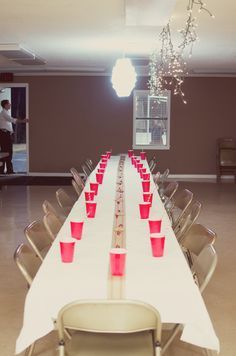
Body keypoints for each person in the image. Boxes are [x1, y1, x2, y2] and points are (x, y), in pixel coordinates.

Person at [0, 99, 28, 174]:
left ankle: (6, 170)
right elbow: (12, 120)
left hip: (6, 134)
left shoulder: (6, 112)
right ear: (5, 105)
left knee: (6, 152)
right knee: (6, 152)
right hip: (4, 135)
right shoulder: (3, 113)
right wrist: (23, 121)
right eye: (9, 103)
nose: (10, 105)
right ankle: (6, 170)